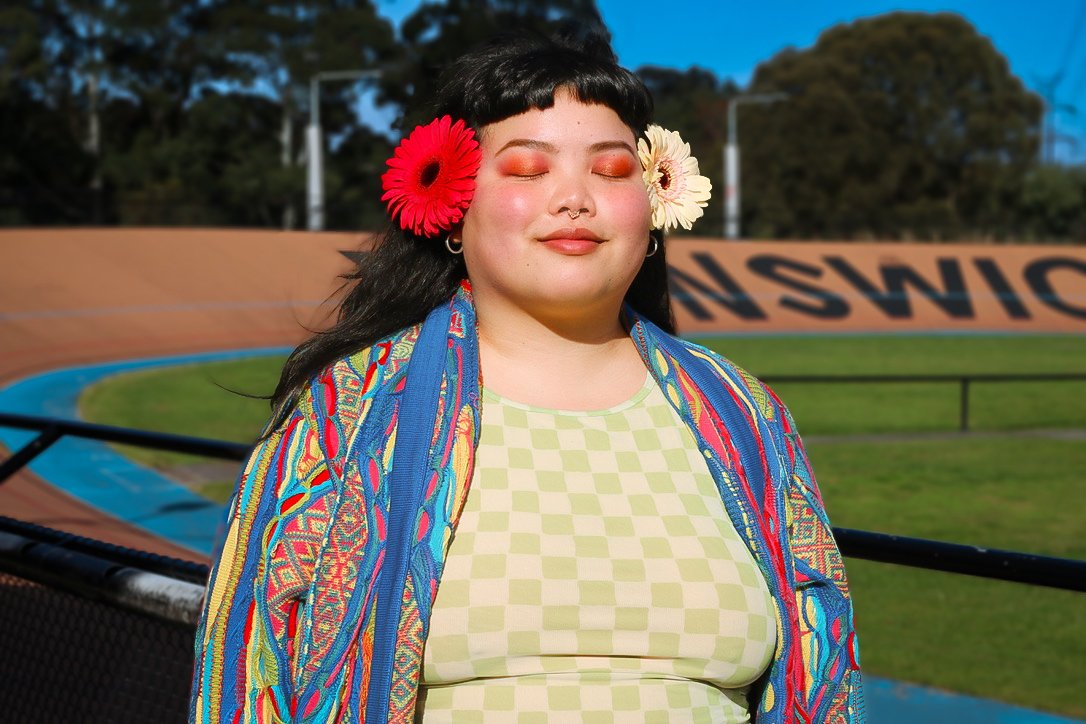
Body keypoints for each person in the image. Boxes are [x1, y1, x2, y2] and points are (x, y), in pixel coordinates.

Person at [190, 29, 864, 724]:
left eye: (610, 170)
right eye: (526, 170)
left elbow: (824, 674)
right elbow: (246, 675)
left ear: (655, 205)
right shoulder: (347, 414)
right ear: (454, 208)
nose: (575, 198)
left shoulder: (745, 417)